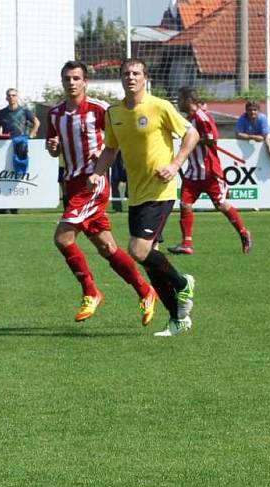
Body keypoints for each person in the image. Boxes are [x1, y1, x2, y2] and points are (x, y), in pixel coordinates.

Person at [88, 58, 200, 337]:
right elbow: (110, 149)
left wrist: (175, 165)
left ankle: (182, 282)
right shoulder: (113, 112)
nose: (131, 77)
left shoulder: (160, 106)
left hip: (160, 190)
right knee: (152, 260)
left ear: (145, 78)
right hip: (136, 195)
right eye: (126, 73)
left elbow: (192, 134)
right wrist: (97, 173)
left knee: (138, 250)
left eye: (136, 73)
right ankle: (177, 319)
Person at [45, 60, 157, 325]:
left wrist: (103, 155)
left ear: (85, 82)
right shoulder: (55, 114)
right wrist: (52, 148)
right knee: (107, 247)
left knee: (62, 238)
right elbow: (54, 151)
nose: (71, 83)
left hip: (93, 184)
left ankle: (91, 292)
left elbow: (117, 141)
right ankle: (145, 291)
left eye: (76, 78)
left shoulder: (100, 110)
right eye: (67, 78)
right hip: (71, 183)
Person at [168, 87, 251, 256]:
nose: (178, 102)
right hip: (194, 172)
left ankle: (243, 232)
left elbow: (212, 138)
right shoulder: (189, 118)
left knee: (221, 204)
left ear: (188, 100)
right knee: (185, 204)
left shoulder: (201, 117)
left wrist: (194, 140)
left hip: (209, 170)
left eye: (180, 99)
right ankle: (186, 244)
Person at [0, 88, 40, 214]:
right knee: (6, 172)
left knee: (18, 171)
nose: (11, 97)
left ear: (17, 97)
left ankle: (15, 205)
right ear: (6, 98)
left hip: (20, 143)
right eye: (9, 95)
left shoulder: (24, 111)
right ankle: (4, 204)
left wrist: (32, 134)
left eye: (14, 95)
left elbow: (36, 123)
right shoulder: (1, 113)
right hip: (4, 145)